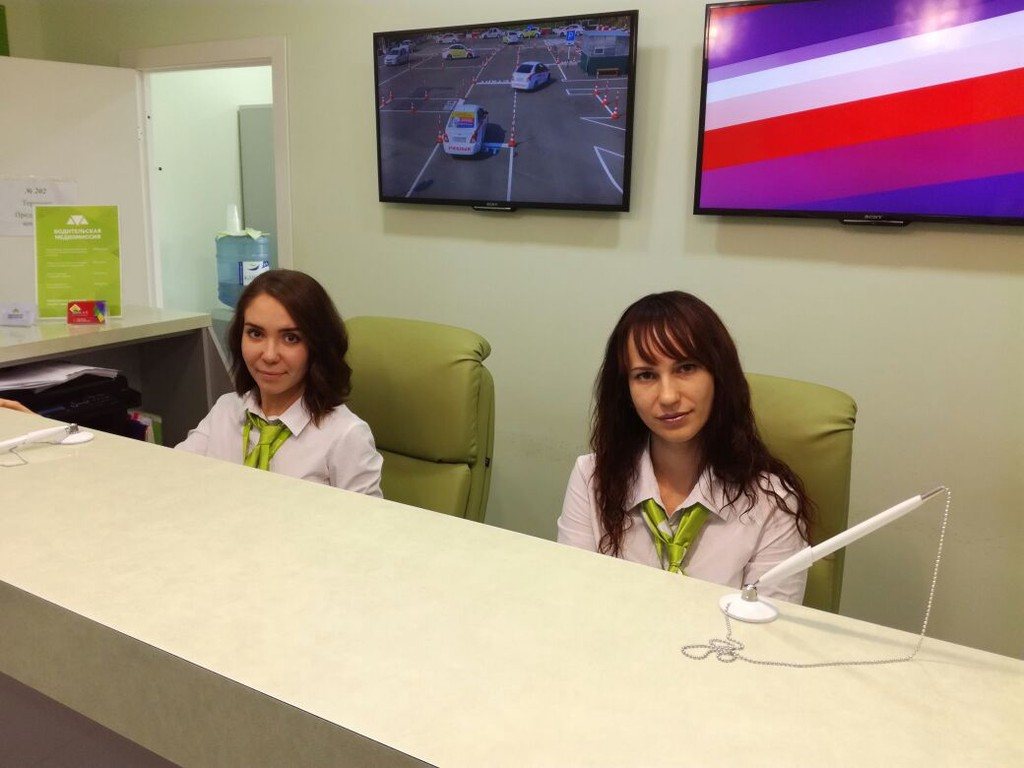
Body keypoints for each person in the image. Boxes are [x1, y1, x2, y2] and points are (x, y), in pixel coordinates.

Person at [557, 291, 812, 602]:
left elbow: (768, 624)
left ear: (719, 375)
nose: (668, 397)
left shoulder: (773, 502)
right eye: (646, 375)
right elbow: (573, 599)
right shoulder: (592, 477)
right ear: (626, 391)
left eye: (686, 368)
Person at [177, 269, 383, 496]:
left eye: (290, 338)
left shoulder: (346, 436)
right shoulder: (226, 410)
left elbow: (367, 519)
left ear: (317, 346)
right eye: (256, 334)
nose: (269, 355)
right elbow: (171, 471)